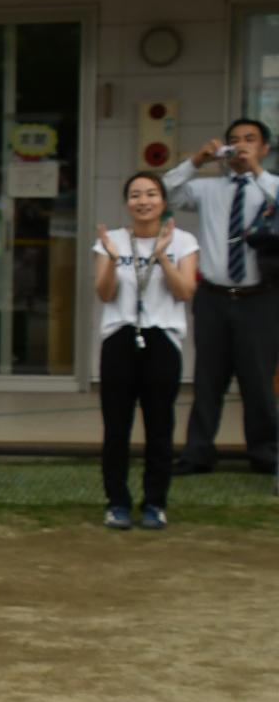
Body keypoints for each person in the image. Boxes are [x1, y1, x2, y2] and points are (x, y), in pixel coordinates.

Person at [164, 119, 279, 475]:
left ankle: (264, 452)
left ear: (265, 148)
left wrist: (256, 171)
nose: (240, 147)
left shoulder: (271, 185)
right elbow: (166, 191)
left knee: (258, 379)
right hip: (213, 297)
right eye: (233, 141)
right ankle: (198, 453)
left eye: (249, 140)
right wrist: (197, 160)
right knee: (207, 379)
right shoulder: (208, 188)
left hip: (259, 298)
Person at [94, 173, 199, 530]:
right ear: (127, 203)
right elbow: (104, 294)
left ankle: (155, 503)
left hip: (162, 340)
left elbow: (185, 292)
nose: (143, 201)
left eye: (151, 194)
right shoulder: (112, 241)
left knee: (159, 427)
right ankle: (117, 502)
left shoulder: (182, 241)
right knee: (116, 428)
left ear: (163, 202)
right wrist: (110, 258)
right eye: (136, 195)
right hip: (120, 337)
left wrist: (162, 258)